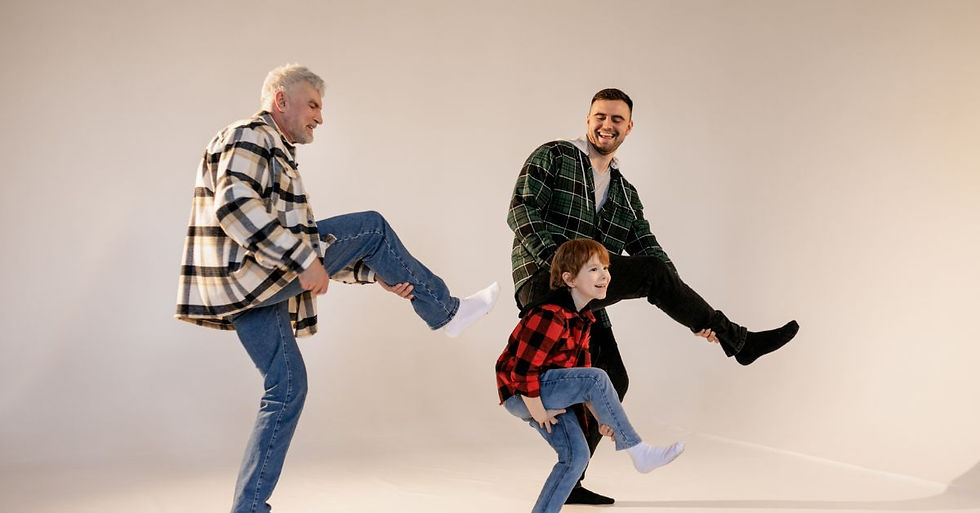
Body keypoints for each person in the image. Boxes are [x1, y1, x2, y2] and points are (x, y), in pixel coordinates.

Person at [175, 64, 498, 513]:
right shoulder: (251, 134)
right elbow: (235, 205)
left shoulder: (275, 149)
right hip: (251, 274)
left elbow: (313, 249)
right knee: (372, 227)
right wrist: (302, 258)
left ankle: (247, 509)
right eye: (313, 105)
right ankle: (447, 311)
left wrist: (372, 273)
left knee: (287, 388)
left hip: (249, 288)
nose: (320, 118)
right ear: (281, 100)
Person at [507, 88, 799, 504]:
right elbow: (520, 210)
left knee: (613, 378)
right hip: (544, 278)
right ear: (588, 119)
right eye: (600, 116)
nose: (607, 125)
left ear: (629, 128)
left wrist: (684, 304)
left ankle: (571, 481)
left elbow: (649, 250)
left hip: (585, 297)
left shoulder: (625, 194)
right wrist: (560, 265)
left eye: (617, 119)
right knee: (651, 275)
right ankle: (739, 341)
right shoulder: (554, 156)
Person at [497, 239, 685, 513]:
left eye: (605, 268)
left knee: (576, 456)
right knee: (597, 377)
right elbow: (523, 371)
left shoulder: (583, 318)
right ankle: (638, 450)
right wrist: (538, 412)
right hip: (522, 393)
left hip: (545, 393)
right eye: (594, 269)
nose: (604, 275)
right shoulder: (549, 314)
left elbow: (579, 381)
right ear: (569, 279)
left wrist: (601, 420)